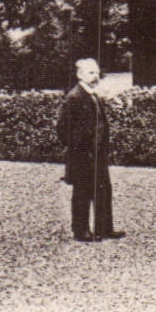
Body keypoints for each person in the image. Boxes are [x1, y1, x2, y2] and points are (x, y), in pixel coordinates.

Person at [57, 58, 124, 242]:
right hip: (83, 155)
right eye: (90, 73)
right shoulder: (74, 97)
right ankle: (81, 231)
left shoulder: (93, 95)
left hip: (98, 153)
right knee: (83, 192)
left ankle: (104, 229)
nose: (95, 77)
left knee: (103, 189)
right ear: (79, 75)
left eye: (96, 72)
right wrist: (79, 148)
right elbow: (63, 129)